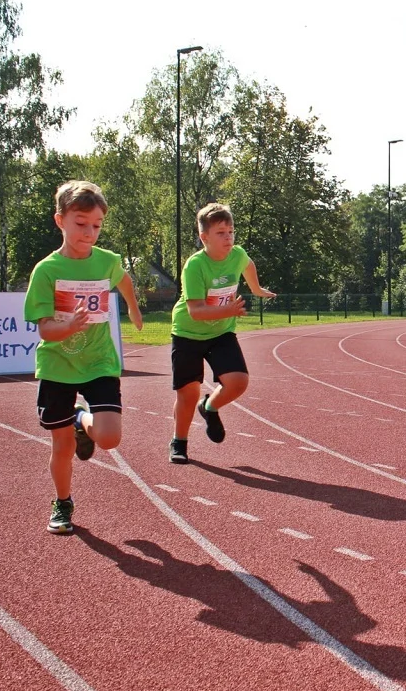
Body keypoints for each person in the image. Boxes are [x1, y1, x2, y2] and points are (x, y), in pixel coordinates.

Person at [23, 180, 143, 534]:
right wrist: (68, 326)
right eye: (81, 224)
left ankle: (81, 420)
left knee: (109, 438)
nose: (89, 233)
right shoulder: (47, 270)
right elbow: (45, 329)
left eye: (97, 225)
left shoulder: (106, 261)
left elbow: (124, 281)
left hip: (99, 360)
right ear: (60, 220)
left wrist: (133, 307)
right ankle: (62, 502)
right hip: (58, 364)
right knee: (62, 446)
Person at [168, 202, 276, 464]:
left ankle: (210, 407)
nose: (228, 238)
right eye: (221, 233)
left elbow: (247, 264)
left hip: (220, 333)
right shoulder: (195, 266)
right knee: (188, 392)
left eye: (231, 232)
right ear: (204, 237)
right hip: (188, 333)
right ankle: (179, 441)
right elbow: (195, 311)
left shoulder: (237, 254)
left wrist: (256, 288)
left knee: (238, 381)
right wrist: (228, 310)